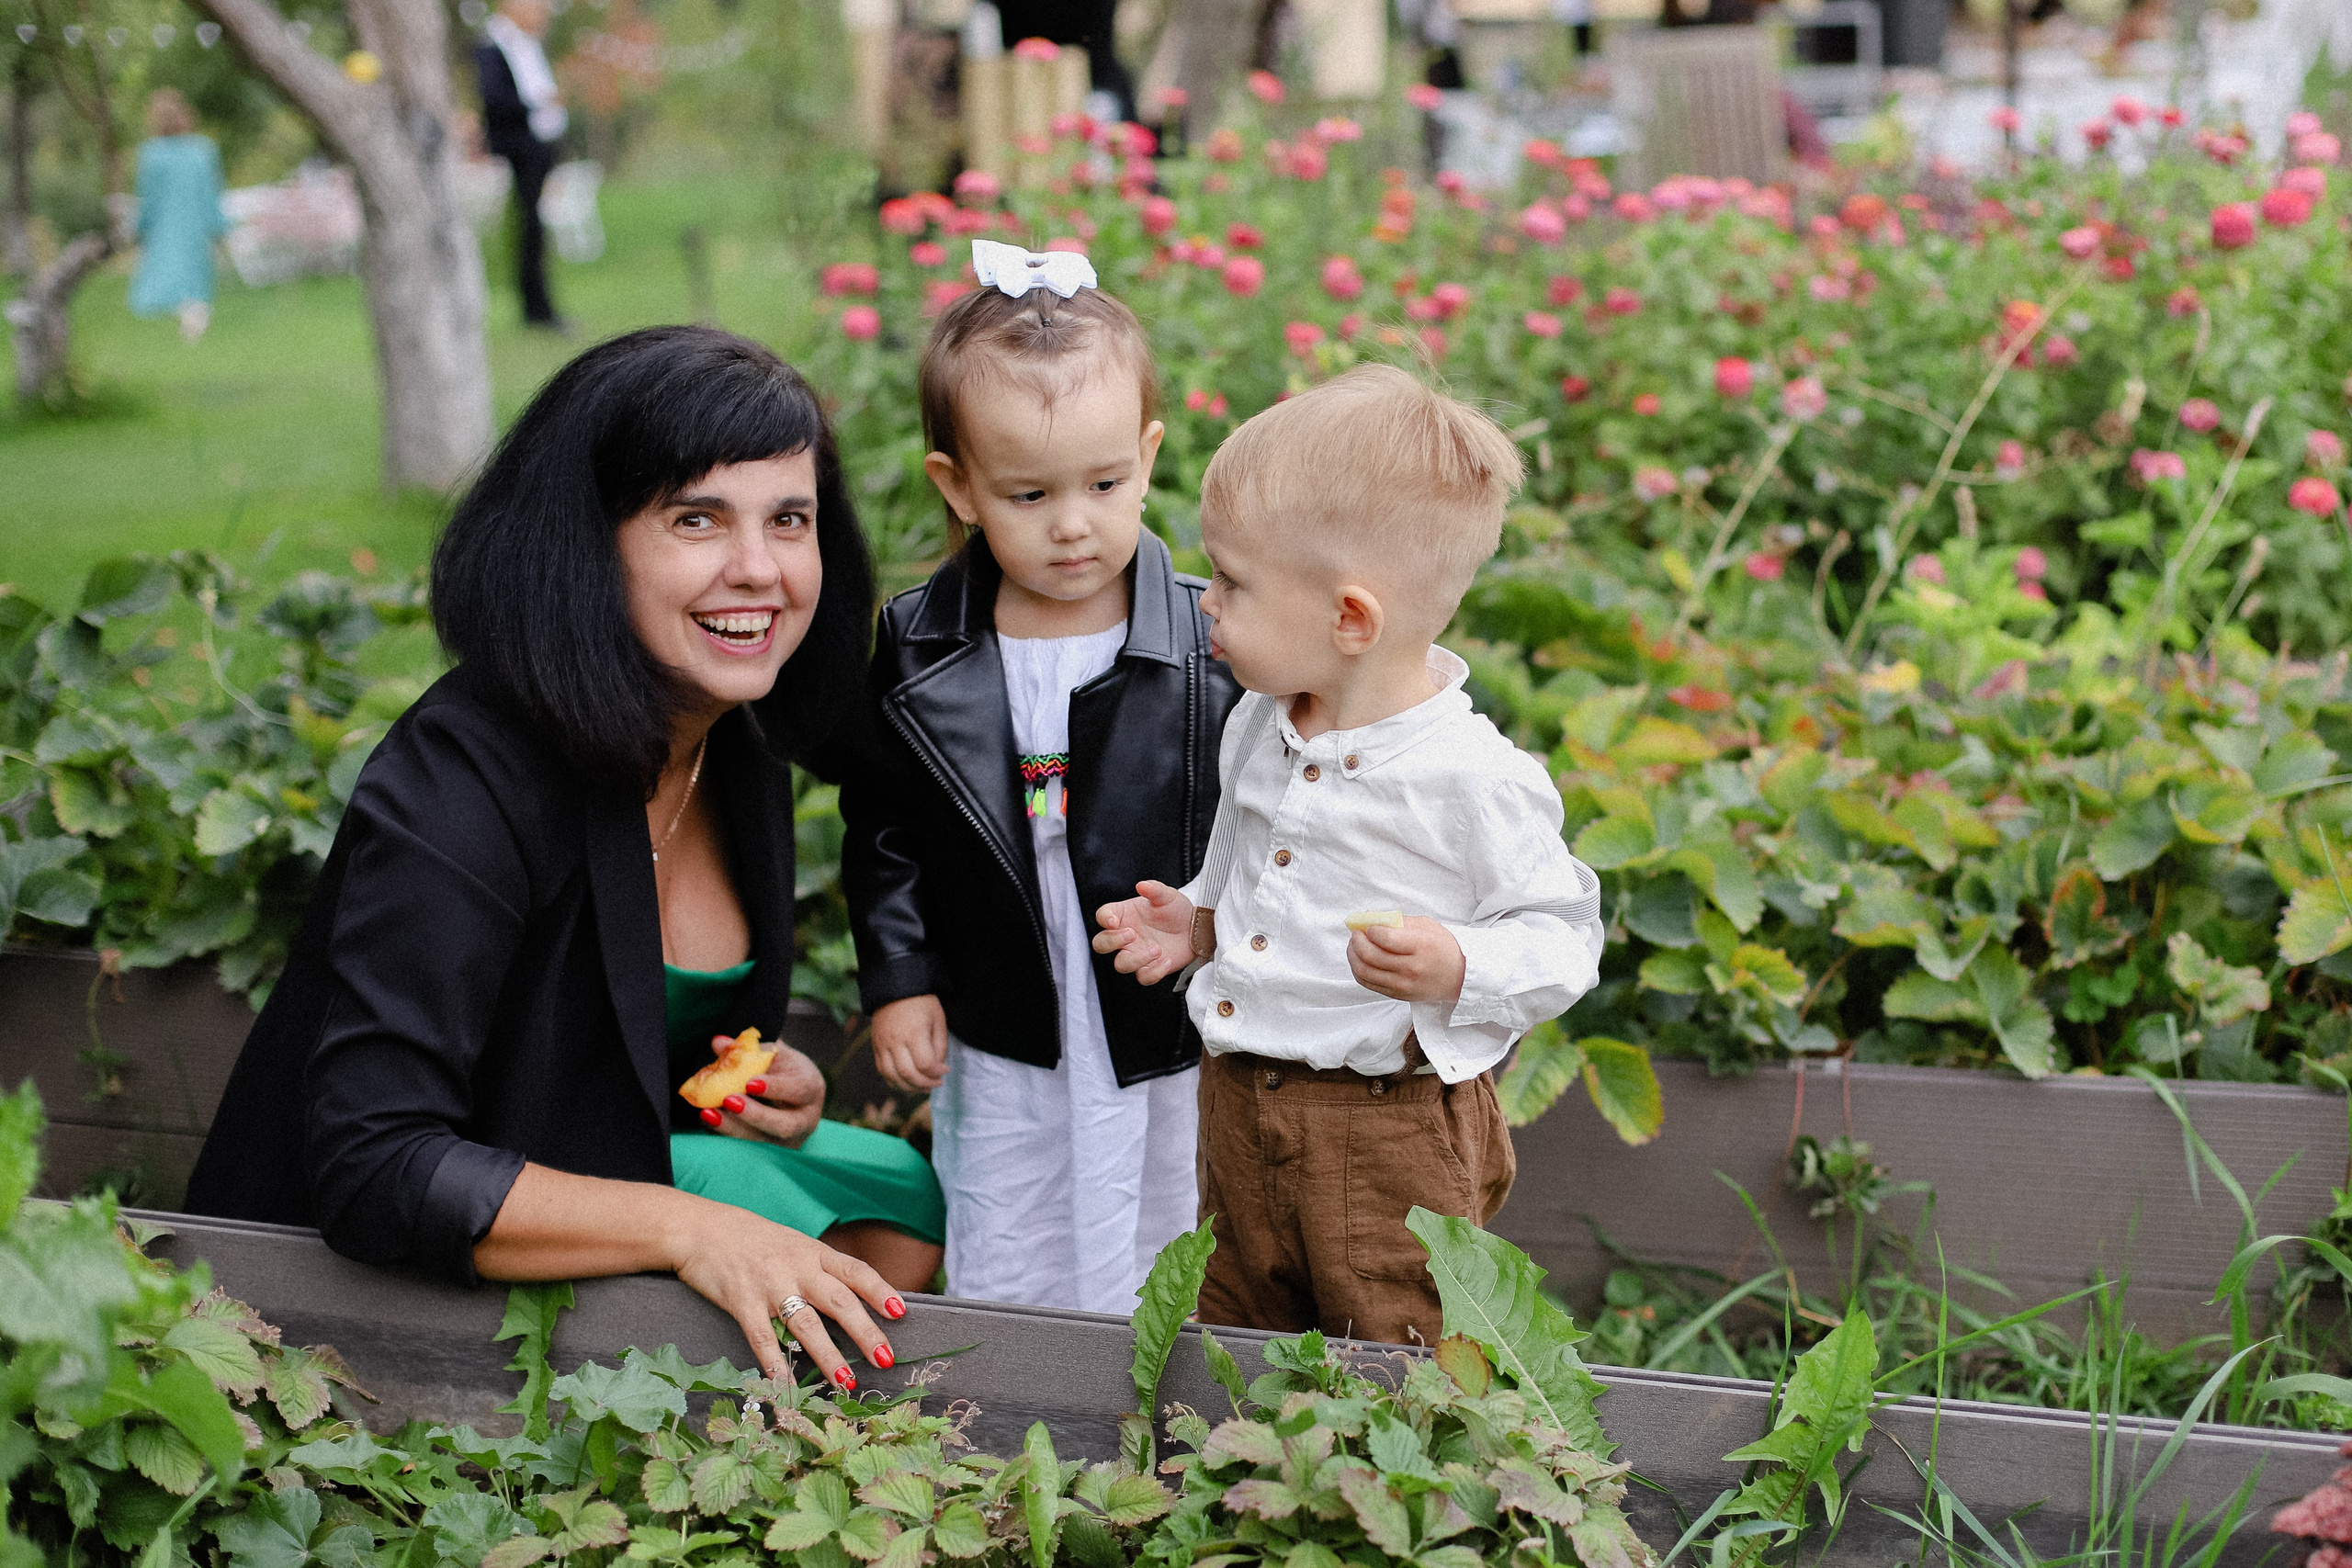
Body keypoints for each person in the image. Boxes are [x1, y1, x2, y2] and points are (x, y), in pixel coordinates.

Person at [187, 327, 943, 1389]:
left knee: (894, 1183)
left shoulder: (735, 746)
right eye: (696, 519)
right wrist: (690, 1227)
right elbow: (374, 1165)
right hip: (339, 1304)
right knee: (753, 1206)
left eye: (789, 519)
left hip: (591, 1183)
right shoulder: (460, 780)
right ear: (587, 542)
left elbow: (611, 1047)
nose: (759, 570)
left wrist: (743, 1088)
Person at [1091, 365, 1606, 1347]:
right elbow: (1264, 883)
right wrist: (1200, 924)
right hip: (1243, 1103)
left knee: (1397, 1332)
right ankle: (1245, 1482)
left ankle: (1409, 1491)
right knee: (1238, 1314)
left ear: (1350, 621)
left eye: (1235, 582)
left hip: (1386, 1129)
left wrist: (1459, 964)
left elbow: (1561, 939)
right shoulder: (1261, 721)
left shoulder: (1468, 778)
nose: (1207, 600)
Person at [841, 242, 1240, 1315]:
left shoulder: (1209, 639)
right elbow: (885, 827)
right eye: (1027, 493)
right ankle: (1017, 1360)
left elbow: (1253, 808)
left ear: (1148, 458)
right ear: (959, 488)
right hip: (1003, 967)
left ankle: (1168, 1362)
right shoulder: (923, 643)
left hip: (1147, 972)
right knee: (1011, 1170)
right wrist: (900, 977)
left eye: (1105, 483)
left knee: (1164, 1176)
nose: (1073, 523)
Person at [475, 0, 567, 330]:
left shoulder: (528, 46)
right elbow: (495, 102)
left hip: (538, 147)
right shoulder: (493, 46)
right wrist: (540, 101)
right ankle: (535, 308)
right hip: (518, 150)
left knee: (538, 229)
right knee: (529, 228)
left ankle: (541, 304)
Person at [127, 88, 226, 343]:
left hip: (164, 225)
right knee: (192, 272)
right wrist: (218, 226)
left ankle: (185, 315)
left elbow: (147, 198)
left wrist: (141, 228)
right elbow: (210, 194)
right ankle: (193, 314)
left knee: (166, 269)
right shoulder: (202, 150)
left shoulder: (150, 154)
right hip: (193, 223)